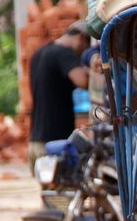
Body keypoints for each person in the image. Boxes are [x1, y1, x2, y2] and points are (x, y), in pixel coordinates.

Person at [27, 20, 91, 174]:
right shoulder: (64, 53)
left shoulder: (39, 53)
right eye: (86, 47)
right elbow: (83, 81)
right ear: (81, 37)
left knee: (49, 195)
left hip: (35, 141)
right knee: (63, 197)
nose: (83, 53)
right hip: (55, 143)